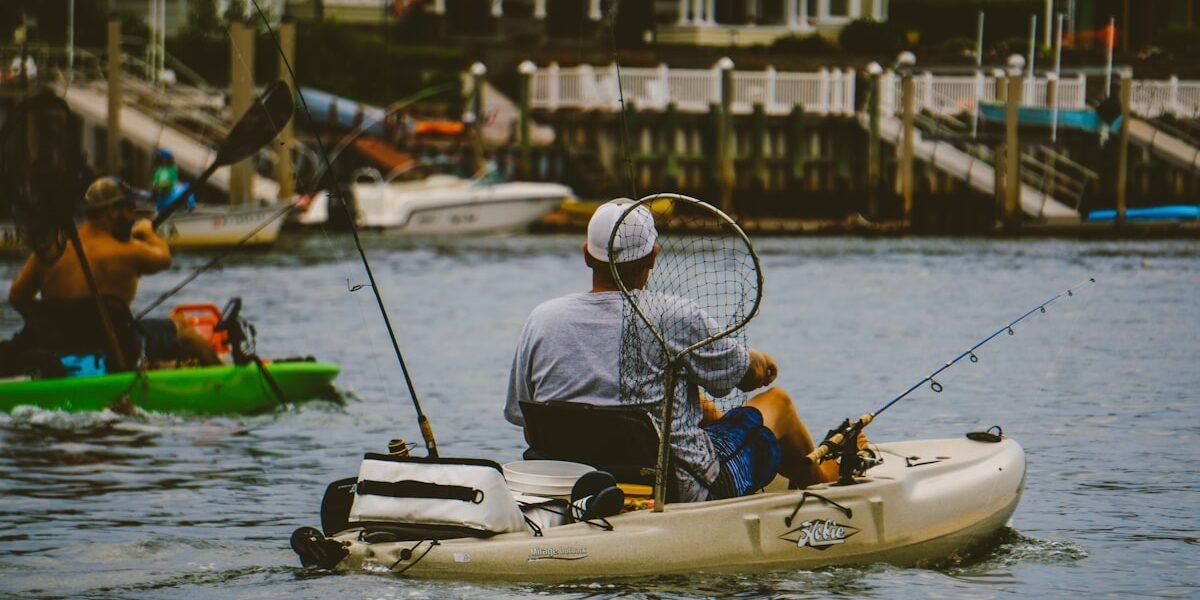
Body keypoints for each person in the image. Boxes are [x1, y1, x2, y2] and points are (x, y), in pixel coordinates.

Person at [505, 199, 855, 503]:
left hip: (569, 484)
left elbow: (528, 426)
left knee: (699, 407)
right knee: (777, 403)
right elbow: (746, 378)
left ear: (586, 255)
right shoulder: (675, 316)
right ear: (653, 257)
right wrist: (763, 364)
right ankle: (824, 489)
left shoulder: (541, 319)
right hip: (676, 487)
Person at [7, 176, 220, 368]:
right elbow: (163, 258)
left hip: (58, 345)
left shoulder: (50, 250)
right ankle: (227, 380)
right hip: (117, 346)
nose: (133, 216)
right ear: (112, 211)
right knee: (182, 328)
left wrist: (51, 324)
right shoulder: (126, 251)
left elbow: (17, 297)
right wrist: (148, 232)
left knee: (155, 327)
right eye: (130, 209)